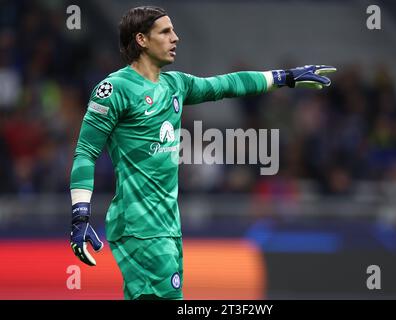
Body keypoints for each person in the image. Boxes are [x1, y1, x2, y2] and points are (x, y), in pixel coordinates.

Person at [69, 5, 336, 300]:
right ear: (142, 39)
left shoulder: (175, 85)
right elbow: (85, 153)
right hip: (139, 226)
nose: (176, 38)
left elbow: (227, 84)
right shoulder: (114, 89)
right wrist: (80, 217)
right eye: (166, 32)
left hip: (168, 225)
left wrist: (285, 77)